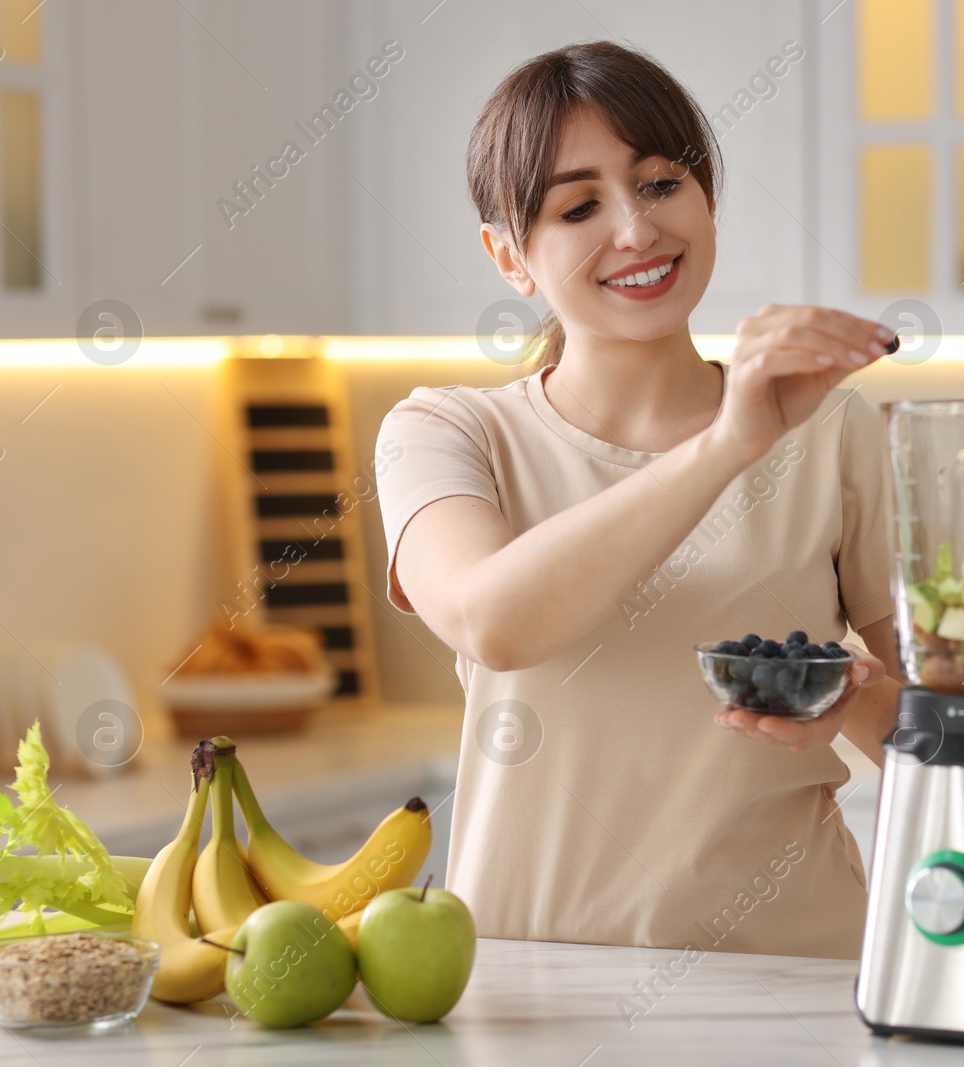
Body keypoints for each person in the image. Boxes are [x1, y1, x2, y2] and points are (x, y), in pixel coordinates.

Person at [374, 40, 901, 960]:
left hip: (792, 975)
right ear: (510, 256)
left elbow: (963, 739)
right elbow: (492, 619)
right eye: (579, 206)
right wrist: (729, 441)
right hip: (522, 985)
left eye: (660, 183)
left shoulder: (836, 434)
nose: (635, 230)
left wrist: (850, 700)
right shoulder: (445, 432)